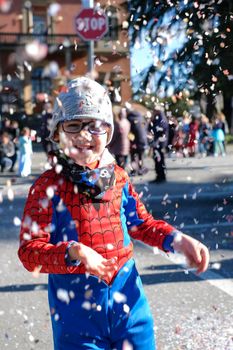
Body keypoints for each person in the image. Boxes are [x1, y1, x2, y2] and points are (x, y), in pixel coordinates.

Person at [18, 77, 209, 350]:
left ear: (108, 132)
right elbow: (28, 252)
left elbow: (142, 223)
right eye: (73, 126)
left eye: (95, 126)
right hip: (77, 318)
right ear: (58, 132)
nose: (84, 136)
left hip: (130, 306)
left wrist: (176, 240)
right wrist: (73, 252)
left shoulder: (118, 177)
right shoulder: (47, 186)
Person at [148, 108, 168, 183]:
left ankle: (161, 176)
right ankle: (159, 175)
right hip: (158, 142)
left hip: (159, 142)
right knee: (158, 159)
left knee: (159, 160)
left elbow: (160, 129)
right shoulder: (158, 118)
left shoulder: (161, 118)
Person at [127, 108, 148, 175]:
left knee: (133, 157)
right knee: (140, 157)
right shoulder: (142, 119)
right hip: (143, 141)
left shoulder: (130, 119)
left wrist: (132, 142)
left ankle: (134, 170)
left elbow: (130, 132)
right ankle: (141, 169)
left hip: (134, 141)